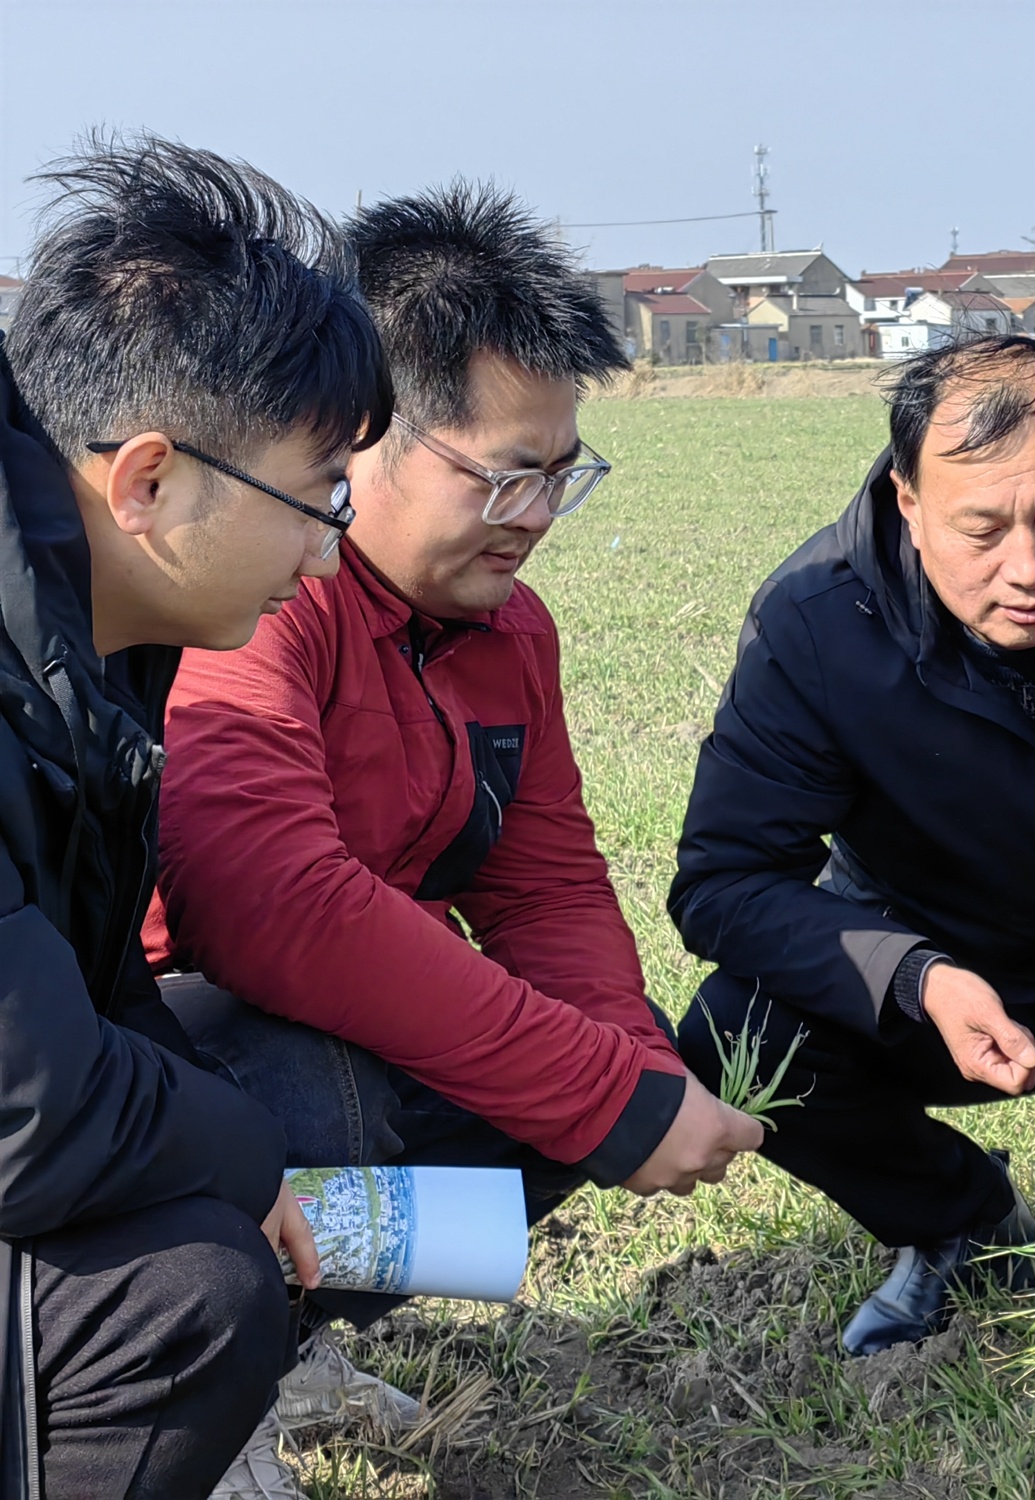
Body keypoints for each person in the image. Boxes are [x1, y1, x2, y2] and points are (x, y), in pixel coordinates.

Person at [143, 185, 761, 1494]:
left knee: (579, 1071)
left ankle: (292, 1336)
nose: (536, 513)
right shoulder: (263, 599)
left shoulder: (506, 631)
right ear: (365, 440)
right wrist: (601, 1092)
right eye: (505, 474)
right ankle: (192, 1381)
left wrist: (628, 1076)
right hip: (162, 1042)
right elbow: (261, 897)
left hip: (342, 1026)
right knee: (326, 1087)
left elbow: (545, 881)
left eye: (561, 474)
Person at [669, 335, 1035, 1354]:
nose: (1029, 569)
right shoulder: (816, 620)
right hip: (945, 970)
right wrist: (911, 977)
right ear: (908, 503)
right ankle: (957, 1218)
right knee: (740, 1035)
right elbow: (723, 881)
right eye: (980, 528)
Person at [0, 136, 391, 1499]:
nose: (328, 549)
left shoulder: (94, 648)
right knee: (190, 1299)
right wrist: (242, 1156)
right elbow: (28, 1116)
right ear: (148, 482)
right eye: (314, 496)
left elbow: (100, 986)